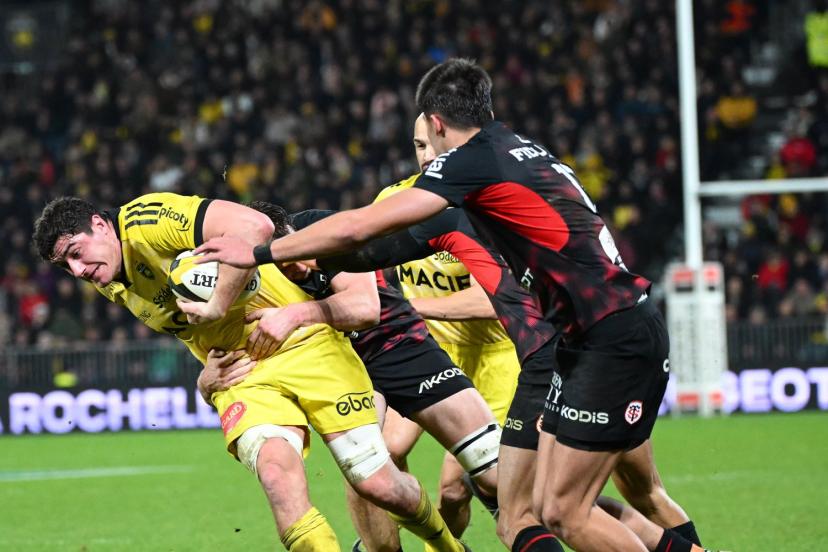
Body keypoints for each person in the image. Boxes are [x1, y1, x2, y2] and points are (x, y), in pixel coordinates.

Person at [193, 59, 712, 551]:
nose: (424, 156)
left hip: (604, 339)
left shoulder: (470, 166)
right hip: (585, 341)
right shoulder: (515, 150)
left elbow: (359, 228)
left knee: (563, 511)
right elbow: (385, 245)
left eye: (424, 142)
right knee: (530, 511)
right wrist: (321, 266)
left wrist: (259, 251)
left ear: (437, 124)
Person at [32, 193, 469, 552]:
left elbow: (254, 227)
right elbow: (192, 329)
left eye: (76, 253)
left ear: (100, 225)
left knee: (378, 485)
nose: (77, 271)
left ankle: (448, 548)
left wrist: (221, 299)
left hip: (304, 345)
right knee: (278, 477)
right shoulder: (109, 280)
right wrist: (206, 378)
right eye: (64, 267)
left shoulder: (146, 221)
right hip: (244, 376)